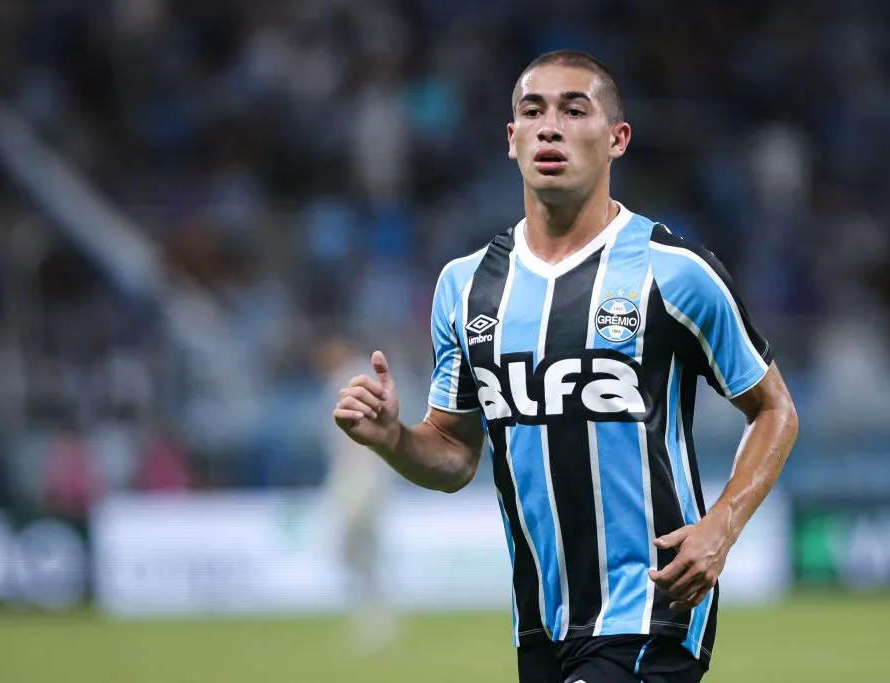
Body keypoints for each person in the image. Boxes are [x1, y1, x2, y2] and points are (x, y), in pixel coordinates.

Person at [333, 49, 799, 683]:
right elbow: (453, 454)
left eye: (574, 110)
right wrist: (393, 439)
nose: (550, 126)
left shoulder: (676, 272)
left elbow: (773, 408)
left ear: (616, 139)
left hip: (651, 609)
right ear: (512, 139)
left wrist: (723, 523)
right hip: (542, 623)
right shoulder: (466, 287)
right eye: (533, 111)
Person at [318, 334, 400, 654]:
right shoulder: (338, 380)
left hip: (362, 475)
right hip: (352, 474)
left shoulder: (353, 378)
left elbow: (367, 433)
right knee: (356, 551)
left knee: (353, 546)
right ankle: (376, 613)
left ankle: (376, 616)